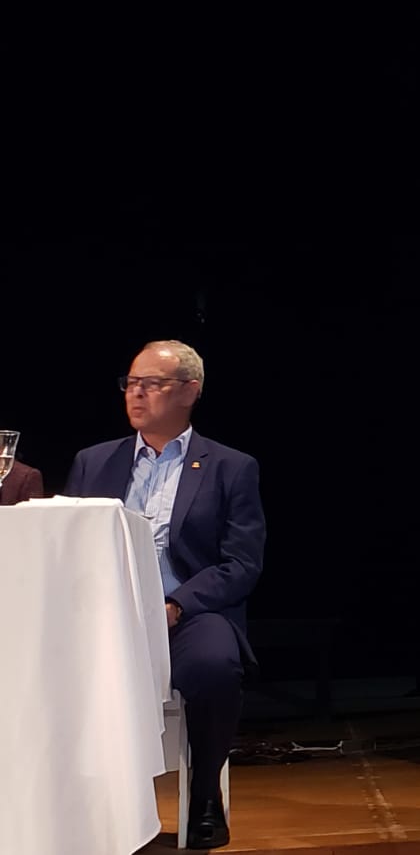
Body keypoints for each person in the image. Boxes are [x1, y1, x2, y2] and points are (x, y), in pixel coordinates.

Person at [64, 339, 265, 850]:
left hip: (188, 612)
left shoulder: (230, 467)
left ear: (189, 391)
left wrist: (175, 606)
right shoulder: (94, 462)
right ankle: (74, 801)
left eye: (151, 384)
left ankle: (204, 795)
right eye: (130, 383)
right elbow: (69, 544)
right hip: (104, 615)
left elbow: (241, 563)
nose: (136, 394)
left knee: (215, 666)